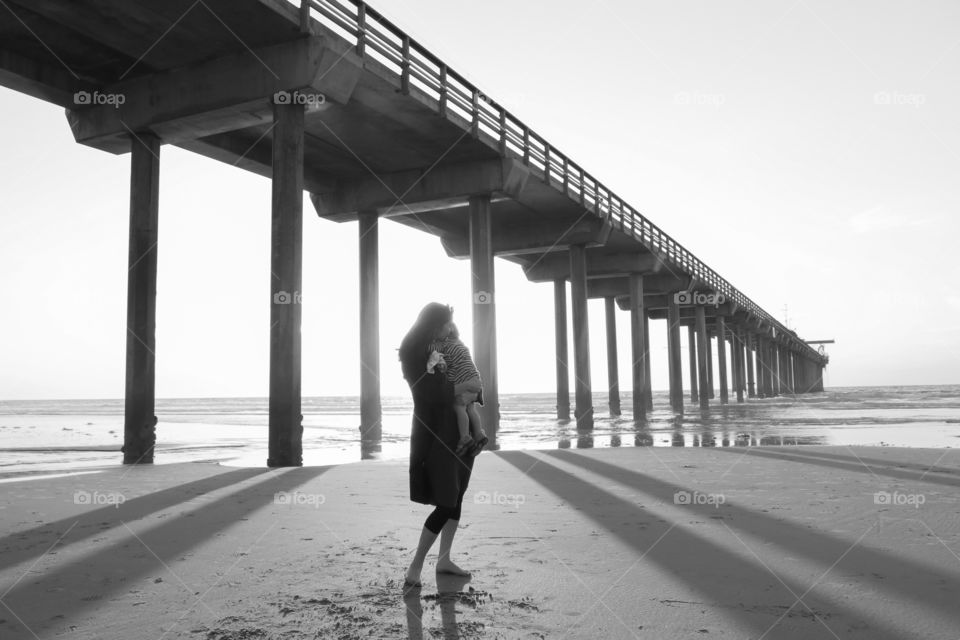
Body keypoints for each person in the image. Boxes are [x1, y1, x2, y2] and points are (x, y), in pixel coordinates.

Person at [398, 303, 476, 588]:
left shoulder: (443, 345)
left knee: (457, 495)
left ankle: (444, 559)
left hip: (457, 428)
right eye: (446, 323)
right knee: (445, 500)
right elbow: (428, 393)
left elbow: (459, 377)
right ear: (433, 324)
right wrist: (465, 387)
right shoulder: (413, 353)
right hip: (435, 432)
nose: (450, 327)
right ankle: (415, 566)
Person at [428, 321, 489, 457]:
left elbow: (430, 348)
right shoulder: (459, 342)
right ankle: (479, 433)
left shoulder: (442, 344)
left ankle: (465, 437)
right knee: (471, 408)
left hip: (464, 381)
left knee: (459, 407)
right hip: (475, 380)